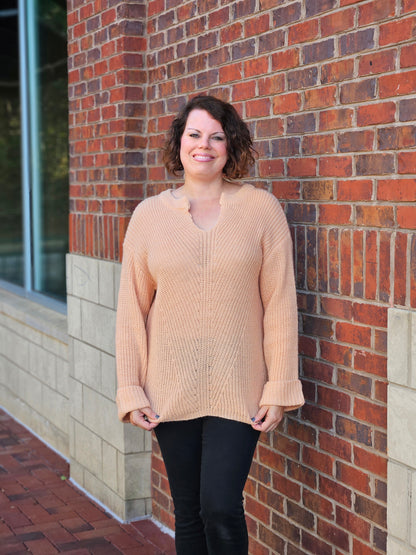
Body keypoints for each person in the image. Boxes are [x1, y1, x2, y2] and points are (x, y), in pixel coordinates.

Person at [115, 95, 304, 555]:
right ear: (179, 143)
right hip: (169, 388)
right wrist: (130, 388)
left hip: (239, 388)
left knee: (220, 504)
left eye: (217, 136)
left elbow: (280, 302)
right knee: (188, 511)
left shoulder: (261, 210)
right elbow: (131, 310)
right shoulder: (148, 216)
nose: (205, 145)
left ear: (230, 145)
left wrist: (279, 386)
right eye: (195, 134)